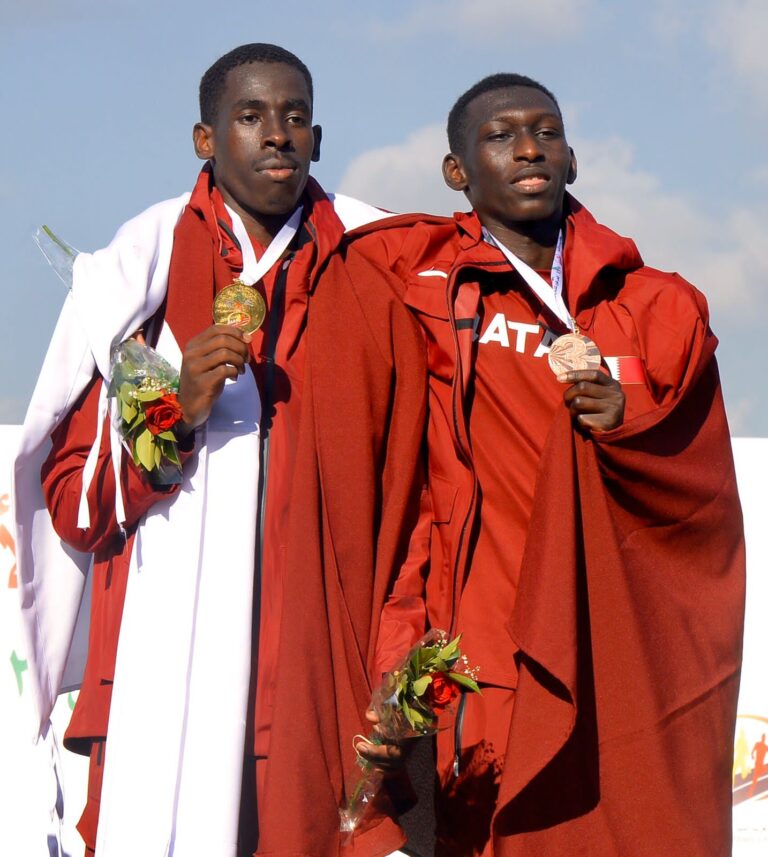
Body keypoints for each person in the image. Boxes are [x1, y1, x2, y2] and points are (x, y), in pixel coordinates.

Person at [14, 44, 426, 857]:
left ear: (317, 138)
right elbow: (75, 503)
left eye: (295, 117)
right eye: (250, 116)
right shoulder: (136, 274)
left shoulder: (378, 261)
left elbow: (422, 491)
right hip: (163, 680)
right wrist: (177, 414)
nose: (277, 134)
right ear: (205, 139)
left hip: (318, 678)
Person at [347, 74, 745, 856]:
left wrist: (629, 427)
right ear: (456, 171)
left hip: (621, 650)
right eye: (500, 136)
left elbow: (703, 495)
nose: (529, 149)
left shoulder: (660, 309)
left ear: (573, 157)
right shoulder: (417, 281)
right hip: (486, 647)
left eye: (547, 132)